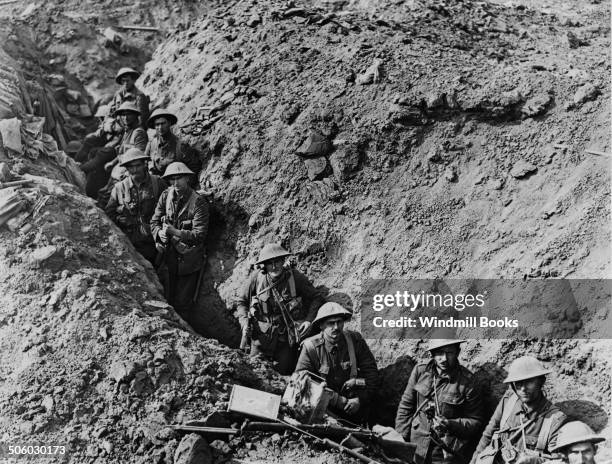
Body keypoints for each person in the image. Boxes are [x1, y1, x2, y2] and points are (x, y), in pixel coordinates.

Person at [395, 330, 484, 464]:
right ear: (432, 354)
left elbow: (475, 421)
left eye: (449, 353)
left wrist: (451, 424)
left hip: (445, 451)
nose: (444, 358)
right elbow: (406, 406)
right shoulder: (420, 371)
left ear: (458, 352)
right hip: (416, 444)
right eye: (439, 353)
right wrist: (400, 441)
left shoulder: (468, 383)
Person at [235, 244, 325, 375]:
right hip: (260, 338)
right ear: (264, 265)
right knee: (253, 372)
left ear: (283, 260)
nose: (274, 266)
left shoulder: (295, 278)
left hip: (285, 340)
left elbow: (317, 298)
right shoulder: (257, 278)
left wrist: (308, 321)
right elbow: (241, 302)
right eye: (270, 263)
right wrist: (244, 324)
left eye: (277, 261)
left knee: (281, 375)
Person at [470, 356, 568, 464]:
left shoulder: (555, 420)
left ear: (541, 382)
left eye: (529, 382)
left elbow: (559, 460)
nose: (523, 389)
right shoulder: (509, 400)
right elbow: (488, 434)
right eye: (518, 383)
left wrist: (536, 460)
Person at [295, 302, 379, 423]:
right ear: (321, 325)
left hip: (354, 406)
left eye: (339, 322)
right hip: (324, 409)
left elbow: (372, 376)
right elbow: (301, 382)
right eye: (331, 323)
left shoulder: (355, 340)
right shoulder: (310, 348)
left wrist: (360, 399)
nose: (336, 327)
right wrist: (336, 400)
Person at [150, 162, 209, 323]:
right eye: (172, 179)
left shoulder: (198, 202)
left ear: (188, 178)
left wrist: (175, 232)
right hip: (168, 258)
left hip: (188, 261)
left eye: (179, 178)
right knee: (165, 299)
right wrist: (159, 233)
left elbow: (199, 235)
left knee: (183, 303)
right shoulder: (166, 196)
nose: (175, 183)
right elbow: (154, 221)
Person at [105, 148, 166, 264]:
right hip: (128, 243)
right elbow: (108, 215)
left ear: (145, 164)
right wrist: (120, 219)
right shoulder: (119, 188)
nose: (134, 170)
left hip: (152, 242)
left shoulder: (157, 183)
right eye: (130, 167)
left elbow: (169, 210)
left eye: (137, 165)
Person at [79, 101, 147, 199]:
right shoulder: (127, 131)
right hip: (120, 167)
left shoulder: (138, 132)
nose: (125, 118)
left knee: (108, 195)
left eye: (129, 114)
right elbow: (122, 152)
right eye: (123, 115)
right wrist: (113, 162)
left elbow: (139, 158)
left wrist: (121, 169)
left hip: (131, 171)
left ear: (136, 116)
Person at [145, 109, 200, 176]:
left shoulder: (181, 146)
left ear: (169, 123)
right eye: (157, 124)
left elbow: (194, 168)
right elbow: (145, 164)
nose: (160, 127)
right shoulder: (151, 145)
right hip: (157, 183)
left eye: (163, 123)